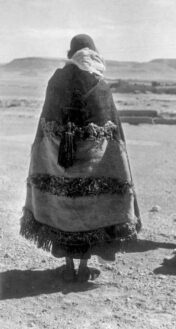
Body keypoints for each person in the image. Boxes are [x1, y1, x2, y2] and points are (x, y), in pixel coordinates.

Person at [20, 34, 141, 282]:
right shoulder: (100, 82)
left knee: (63, 205)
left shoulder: (57, 79)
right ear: (93, 51)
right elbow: (113, 127)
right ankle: (84, 267)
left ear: (71, 53)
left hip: (59, 158)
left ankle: (67, 266)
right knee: (90, 207)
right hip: (93, 163)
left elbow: (46, 120)